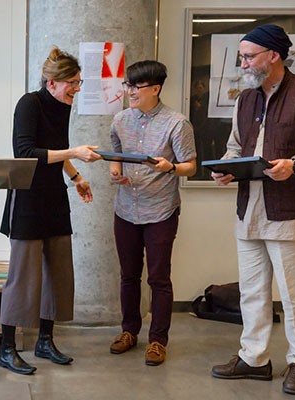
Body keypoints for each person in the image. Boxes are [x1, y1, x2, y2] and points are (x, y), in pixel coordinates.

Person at [209, 24, 295, 395]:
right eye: (241, 56)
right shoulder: (244, 99)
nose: (243, 62)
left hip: (291, 212)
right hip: (248, 210)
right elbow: (236, 148)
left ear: (274, 56)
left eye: (248, 55)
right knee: (251, 291)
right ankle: (254, 359)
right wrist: (225, 168)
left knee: (294, 293)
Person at [0, 47, 101, 375]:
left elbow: (54, 150)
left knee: (57, 273)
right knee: (23, 278)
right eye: (71, 82)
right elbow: (25, 151)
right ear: (51, 81)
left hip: (54, 195)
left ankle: (45, 340)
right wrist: (76, 153)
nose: (76, 88)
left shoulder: (61, 105)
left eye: (79, 82)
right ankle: (7, 348)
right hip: (26, 197)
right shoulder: (29, 103)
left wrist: (76, 176)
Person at [107, 60, 196, 366]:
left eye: (136, 86)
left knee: (158, 278)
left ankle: (158, 340)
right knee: (129, 275)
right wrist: (116, 169)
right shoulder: (120, 119)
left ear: (155, 89)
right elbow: (115, 149)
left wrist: (170, 167)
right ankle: (129, 331)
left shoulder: (177, 123)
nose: (130, 91)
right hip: (126, 208)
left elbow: (191, 166)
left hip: (160, 210)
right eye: (127, 85)